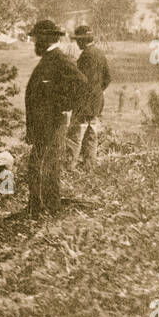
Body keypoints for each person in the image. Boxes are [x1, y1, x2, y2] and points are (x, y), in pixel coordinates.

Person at [24, 19, 88, 217]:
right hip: (44, 126)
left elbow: (82, 84)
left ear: (47, 38)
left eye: (38, 38)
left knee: (48, 167)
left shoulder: (59, 59)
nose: (35, 42)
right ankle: (38, 208)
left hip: (52, 124)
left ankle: (50, 210)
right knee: (38, 166)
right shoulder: (49, 59)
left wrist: (62, 106)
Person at [66, 24, 111, 170]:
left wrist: (75, 97)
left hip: (83, 103)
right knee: (91, 135)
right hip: (96, 103)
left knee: (75, 136)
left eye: (78, 40)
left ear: (83, 40)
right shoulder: (100, 53)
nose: (77, 43)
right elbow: (107, 79)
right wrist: (97, 92)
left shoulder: (85, 56)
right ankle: (89, 167)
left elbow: (80, 81)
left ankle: (69, 167)